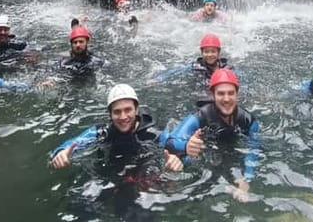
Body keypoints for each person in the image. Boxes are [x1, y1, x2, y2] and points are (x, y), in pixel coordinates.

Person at [165, 68, 261, 202]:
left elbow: (253, 151)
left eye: (230, 93)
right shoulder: (200, 117)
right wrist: (187, 145)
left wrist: (246, 180)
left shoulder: (249, 121)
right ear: (213, 95)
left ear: (237, 94)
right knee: (186, 160)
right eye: (221, 93)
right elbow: (171, 141)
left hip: (230, 145)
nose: (226, 99)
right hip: (206, 147)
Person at [49, 84, 183, 174]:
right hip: (111, 171)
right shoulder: (102, 132)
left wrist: (176, 159)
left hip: (143, 173)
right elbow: (73, 144)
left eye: (128, 110)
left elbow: (176, 149)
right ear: (110, 114)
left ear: (137, 110)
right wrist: (61, 153)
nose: (123, 117)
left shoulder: (154, 135)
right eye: (117, 112)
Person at [154, 34, 234, 105]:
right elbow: (177, 70)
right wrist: (159, 78)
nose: (209, 55)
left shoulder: (226, 68)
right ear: (202, 53)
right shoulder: (196, 66)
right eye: (206, 52)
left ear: (218, 53)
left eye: (213, 51)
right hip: (202, 94)